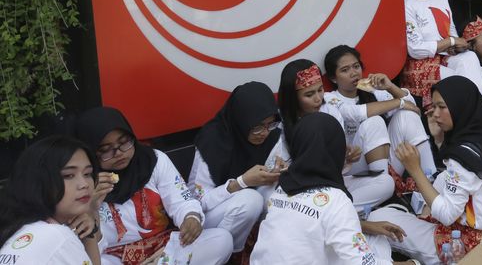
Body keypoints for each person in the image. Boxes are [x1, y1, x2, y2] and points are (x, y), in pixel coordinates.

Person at [367, 76, 482, 265]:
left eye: (442, 107)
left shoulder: (462, 158)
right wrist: (439, 139)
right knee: (442, 178)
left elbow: (446, 215)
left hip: (464, 245)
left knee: (377, 217)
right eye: (433, 107)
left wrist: (415, 169)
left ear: (460, 106)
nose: (435, 114)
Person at [75, 107, 233, 264]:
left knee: (221, 240)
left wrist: (190, 217)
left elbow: (181, 200)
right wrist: (91, 207)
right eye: (106, 150)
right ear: (90, 152)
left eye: (124, 142)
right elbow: (86, 247)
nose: (119, 153)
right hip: (114, 256)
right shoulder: (82, 183)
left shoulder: (153, 160)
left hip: (164, 248)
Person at [252, 113, 407, 265]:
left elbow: (309, 223)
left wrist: (364, 226)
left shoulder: (282, 187)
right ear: (337, 151)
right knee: (379, 245)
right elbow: (362, 262)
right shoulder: (335, 199)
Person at [273, 59, 395, 210]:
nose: (318, 98)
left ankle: (336, 211)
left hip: (336, 180)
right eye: (309, 94)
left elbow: (337, 160)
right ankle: (341, 212)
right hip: (304, 188)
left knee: (386, 183)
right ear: (293, 98)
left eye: (320, 90)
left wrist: (347, 156)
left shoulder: (329, 110)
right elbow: (286, 168)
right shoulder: (282, 123)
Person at [323, 45, 436, 199]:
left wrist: (389, 86)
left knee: (407, 116)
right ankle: (383, 186)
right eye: (345, 70)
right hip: (353, 168)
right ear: (333, 78)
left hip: (385, 165)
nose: (353, 73)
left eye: (356, 66)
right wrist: (399, 103)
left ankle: (430, 179)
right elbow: (355, 113)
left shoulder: (370, 91)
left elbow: (413, 107)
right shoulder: (330, 98)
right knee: (374, 121)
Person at [188, 82, 281, 254]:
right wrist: (241, 182)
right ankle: (232, 254)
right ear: (241, 121)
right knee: (250, 200)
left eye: (270, 124)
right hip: (210, 216)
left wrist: (277, 171)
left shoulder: (272, 134)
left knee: (276, 194)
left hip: (246, 212)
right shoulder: (213, 142)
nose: (265, 133)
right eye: (257, 127)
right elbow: (197, 200)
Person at [0, 136, 107, 264]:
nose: (84, 184)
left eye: (88, 174)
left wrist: (90, 231)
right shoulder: (56, 235)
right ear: (38, 182)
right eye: (68, 176)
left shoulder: (20, 228)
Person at [402, 0, 467, 109]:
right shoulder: (406, 3)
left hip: (446, 55)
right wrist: (450, 41)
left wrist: (455, 44)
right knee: (459, 82)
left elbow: (449, 26)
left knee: (470, 58)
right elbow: (416, 49)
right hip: (422, 64)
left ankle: (477, 113)